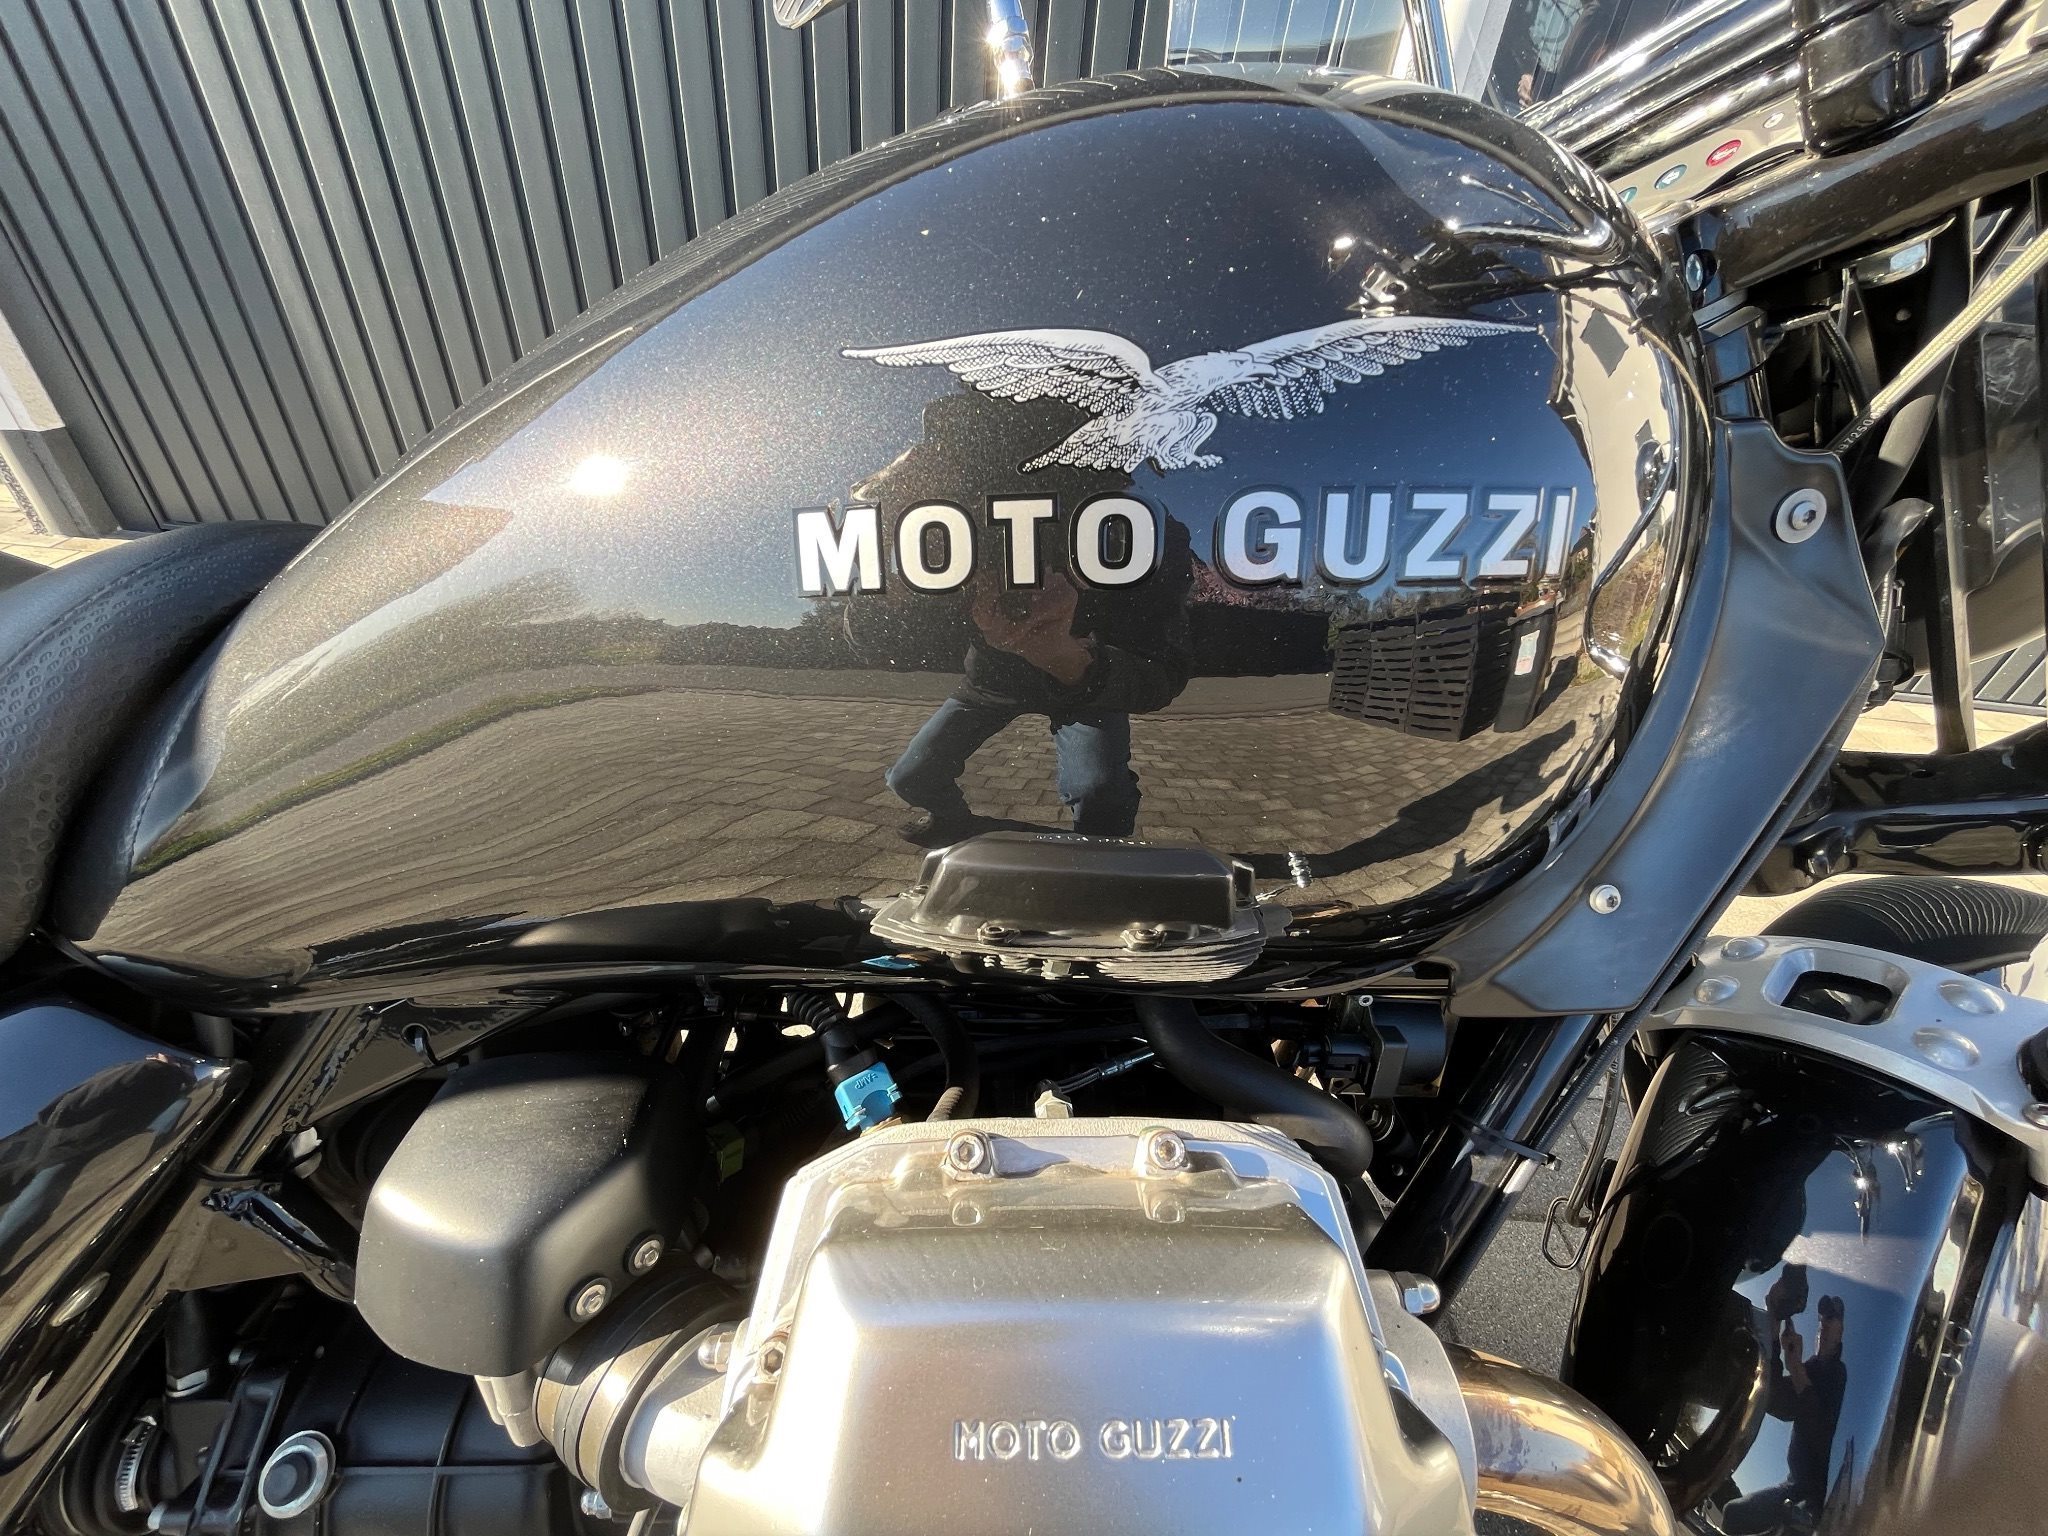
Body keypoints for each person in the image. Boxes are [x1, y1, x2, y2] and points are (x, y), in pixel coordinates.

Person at [887, 529, 1193, 844]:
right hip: (997, 678)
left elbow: (1163, 668)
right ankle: (952, 819)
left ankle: (1103, 848)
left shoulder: (1131, 526)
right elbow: (909, 624)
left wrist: (1077, 662)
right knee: (910, 777)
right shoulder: (970, 521)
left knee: (1099, 791)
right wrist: (955, 598)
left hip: (1084, 681)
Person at [1722, 1294, 1848, 1534]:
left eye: (1831, 1318)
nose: (1823, 1324)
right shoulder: (1810, 1368)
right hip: (1793, 1483)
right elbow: (1776, 1401)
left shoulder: (1838, 1374)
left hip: (1816, 1493)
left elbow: (1822, 1431)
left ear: (1841, 1330)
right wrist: (1775, 1332)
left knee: (1784, 1527)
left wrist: (1797, 1369)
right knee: (1732, 1514)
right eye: (1822, 1318)